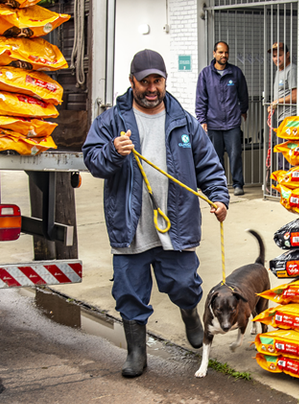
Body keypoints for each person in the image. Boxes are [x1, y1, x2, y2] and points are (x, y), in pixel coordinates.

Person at [82, 49, 229, 378]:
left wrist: (219, 198)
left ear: (165, 81)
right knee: (129, 292)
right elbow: (92, 159)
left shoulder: (184, 121)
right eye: (144, 81)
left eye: (157, 81)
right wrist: (111, 152)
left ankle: (190, 315)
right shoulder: (112, 120)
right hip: (131, 227)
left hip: (175, 225)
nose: (151, 88)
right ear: (132, 81)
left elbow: (208, 164)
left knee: (184, 284)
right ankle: (137, 351)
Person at [195, 41, 249, 196]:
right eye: (220, 52)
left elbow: (243, 94)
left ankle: (238, 184)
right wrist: (202, 119)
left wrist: (243, 110)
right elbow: (201, 98)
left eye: (226, 52)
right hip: (213, 123)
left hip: (232, 123)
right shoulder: (205, 74)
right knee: (216, 157)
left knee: (235, 154)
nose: (223, 55)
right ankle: (221, 185)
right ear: (214, 53)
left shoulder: (236, 72)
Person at [267, 42, 297, 170]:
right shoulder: (279, 71)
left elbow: (295, 96)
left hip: (289, 118)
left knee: (286, 153)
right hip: (281, 118)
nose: (276, 59)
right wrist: (273, 105)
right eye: (274, 56)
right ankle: (282, 183)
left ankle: (287, 184)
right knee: (281, 152)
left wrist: (277, 102)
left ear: (287, 54)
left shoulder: (292, 70)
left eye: (279, 55)